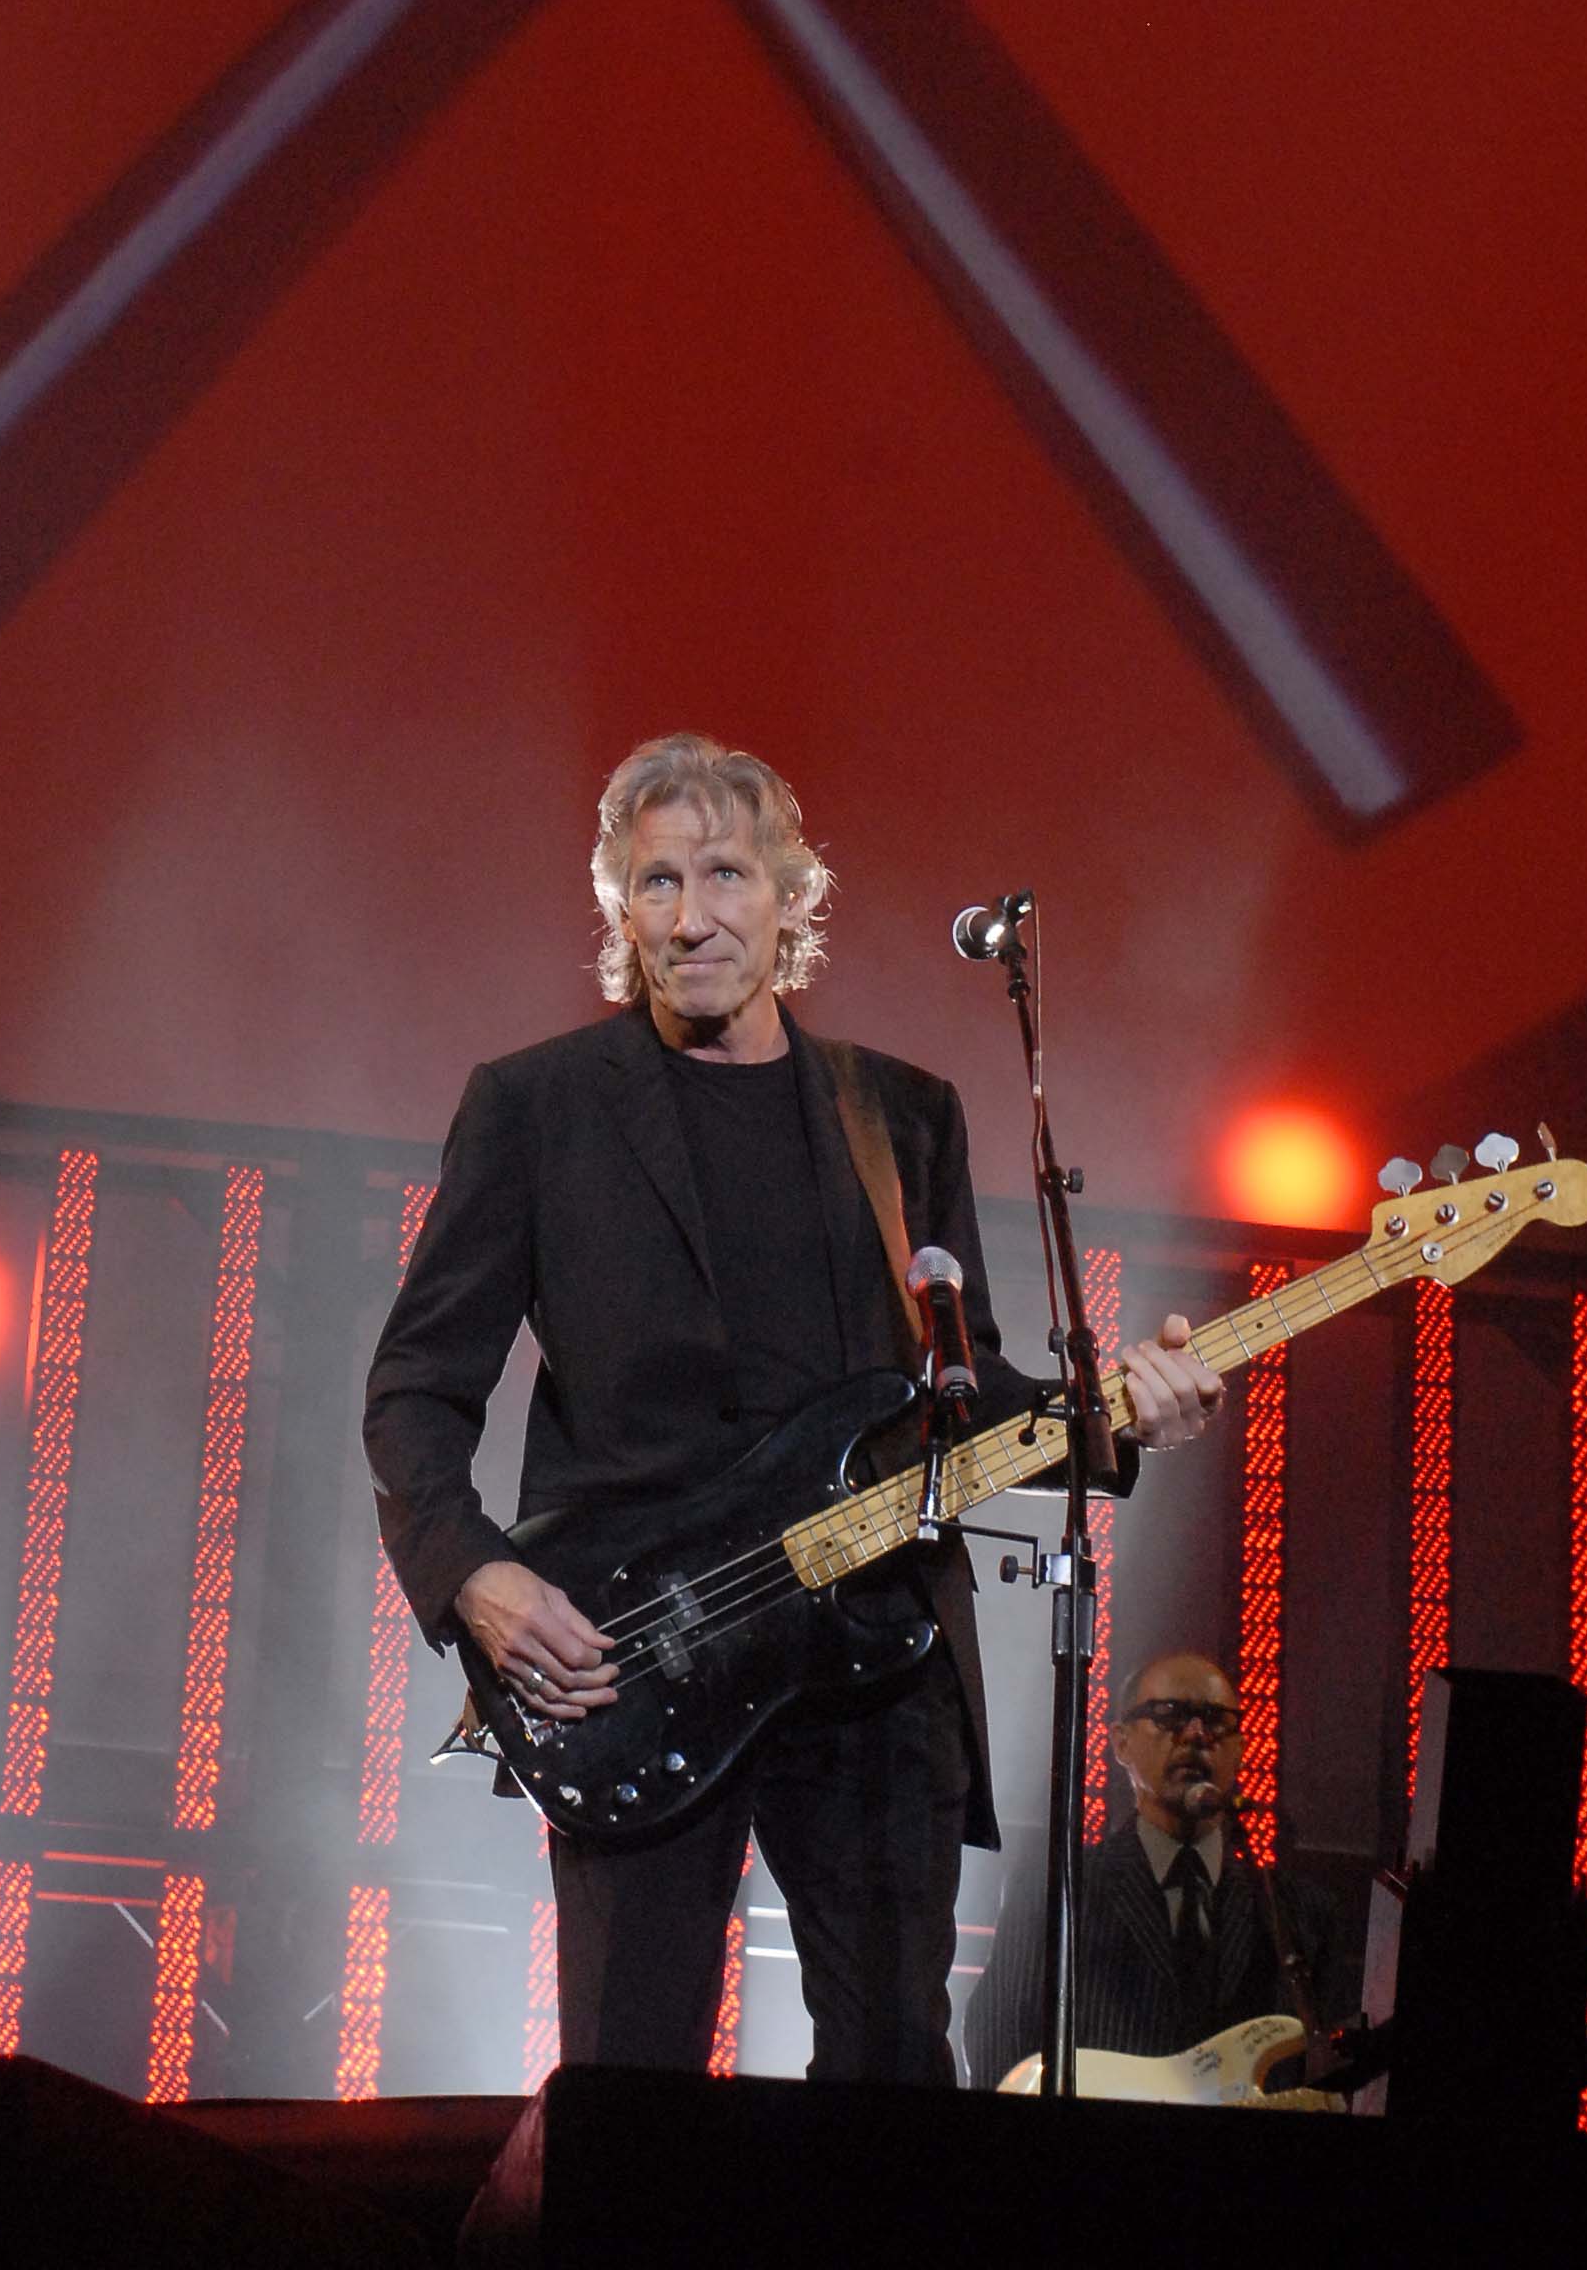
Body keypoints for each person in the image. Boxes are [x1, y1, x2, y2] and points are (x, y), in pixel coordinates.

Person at [362, 731, 1222, 2085]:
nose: (690, 916)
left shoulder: (901, 1116)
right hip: (638, 1653)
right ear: (621, 909)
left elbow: (961, 1393)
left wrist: (1116, 1416)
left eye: (725, 874)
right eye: (656, 882)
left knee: (893, 2075)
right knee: (634, 2083)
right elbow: (416, 1387)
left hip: (877, 1658)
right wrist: (477, 1577)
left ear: (790, 899)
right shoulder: (537, 1106)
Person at [961, 1648, 1344, 2083]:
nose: (1197, 1734)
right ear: (1121, 1742)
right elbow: (998, 2043)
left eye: (1216, 1720)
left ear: (1241, 1748)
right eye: (1169, 1715)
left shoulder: (1299, 1912)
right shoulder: (1059, 1891)